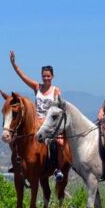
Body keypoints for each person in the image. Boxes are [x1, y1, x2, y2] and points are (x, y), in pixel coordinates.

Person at [10, 50, 66, 181]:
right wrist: (14, 64)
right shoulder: (37, 87)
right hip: (36, 120)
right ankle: (16, 164)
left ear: (52, 76)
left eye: (48, 76)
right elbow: (23, 76)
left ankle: (57, 168)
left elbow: (59, 107)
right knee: (15, 136)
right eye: (44, 76)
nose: (46, 78)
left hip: (50, 122)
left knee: (57, 142)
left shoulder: (56, 90)